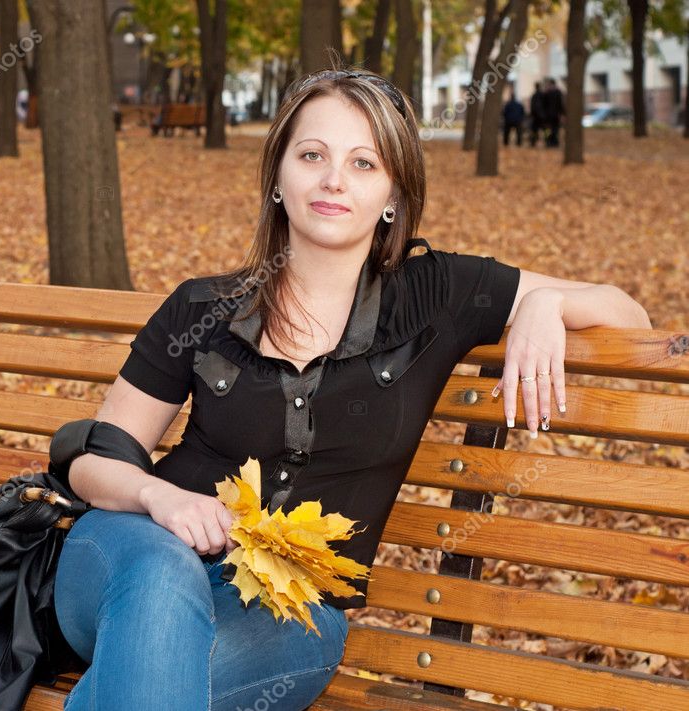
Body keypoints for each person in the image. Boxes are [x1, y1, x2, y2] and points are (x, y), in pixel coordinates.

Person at [51, 65, 652, 710]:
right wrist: (158, 498)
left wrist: (547, 304)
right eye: (313, 155)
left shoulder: (435, 295)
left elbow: (629, 314)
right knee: (161, 581)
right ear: (278, 177)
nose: (334, 179)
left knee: (150, 682)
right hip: (130, 555)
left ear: (393, 192)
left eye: (364, 163)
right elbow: (93, 463)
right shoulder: (204, 308)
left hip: (291, 612)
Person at [541, 77, 565, 148]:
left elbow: (543, 105)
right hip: (555, 115)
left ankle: (549, 141)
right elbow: (560, 104)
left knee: (549, 129)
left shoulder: (546, 93)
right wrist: (562, 113)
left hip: (548, 115)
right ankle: (553, 141)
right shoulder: (557, 92)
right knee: (554, 129)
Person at [528, 81, 545, 147]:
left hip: (536, 116)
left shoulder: (534, 95)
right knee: (545, 130)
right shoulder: (543, 95)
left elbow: (532, 106)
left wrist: (532, 114)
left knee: (534, 130)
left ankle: (533, 141)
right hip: (542, 116)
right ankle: (547, 140)